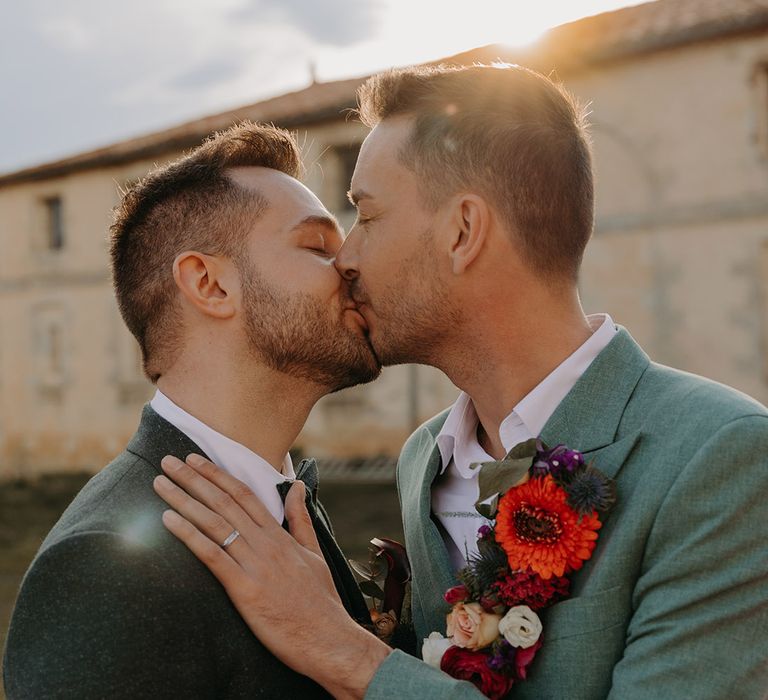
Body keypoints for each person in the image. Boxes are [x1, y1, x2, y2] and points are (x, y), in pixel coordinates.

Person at [154, 64, 768, 699]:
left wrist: (342, 652)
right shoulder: (425, 461)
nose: (346, 258)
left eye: (366, 215)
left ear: (463, 232)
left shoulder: (721, 455)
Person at [2, 123, 381, 698]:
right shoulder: (105, 566)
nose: (352, 263)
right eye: (317, 246)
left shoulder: (289, 505)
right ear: (209, 284)